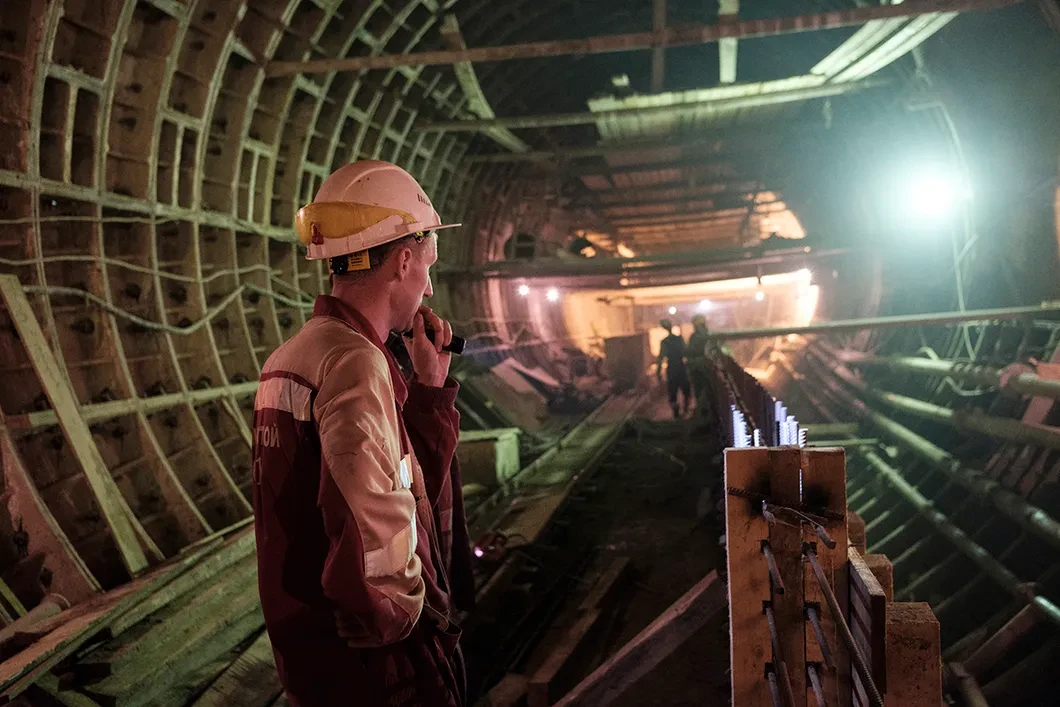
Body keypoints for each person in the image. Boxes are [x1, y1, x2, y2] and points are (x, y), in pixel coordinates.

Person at [251, 160, 474, 707]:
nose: (427, 285)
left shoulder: (294, 355)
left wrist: (428, 390)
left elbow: (389, 480)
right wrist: (392, 608)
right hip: (374, 673)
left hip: (312, 658)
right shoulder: (356, 363)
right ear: (403, 260)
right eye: (427, 264)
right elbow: (362, 513)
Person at [656, 319, 690, 418]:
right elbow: (686, 352)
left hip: (671, 368)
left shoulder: (665, 342)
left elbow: (660, 358)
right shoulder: (679, 339)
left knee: (672, 391)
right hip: (681, 366)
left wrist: (658, 373)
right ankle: (686, 410)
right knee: (686, 390)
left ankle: (676, 414)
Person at [686, 314, 715, 418]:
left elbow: (690, 351)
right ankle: (708, 412)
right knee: (709, 390)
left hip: (697, 368)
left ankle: (702, 413)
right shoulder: (710, 335)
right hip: (708, 368)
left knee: (699, 390)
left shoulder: (695, 337)